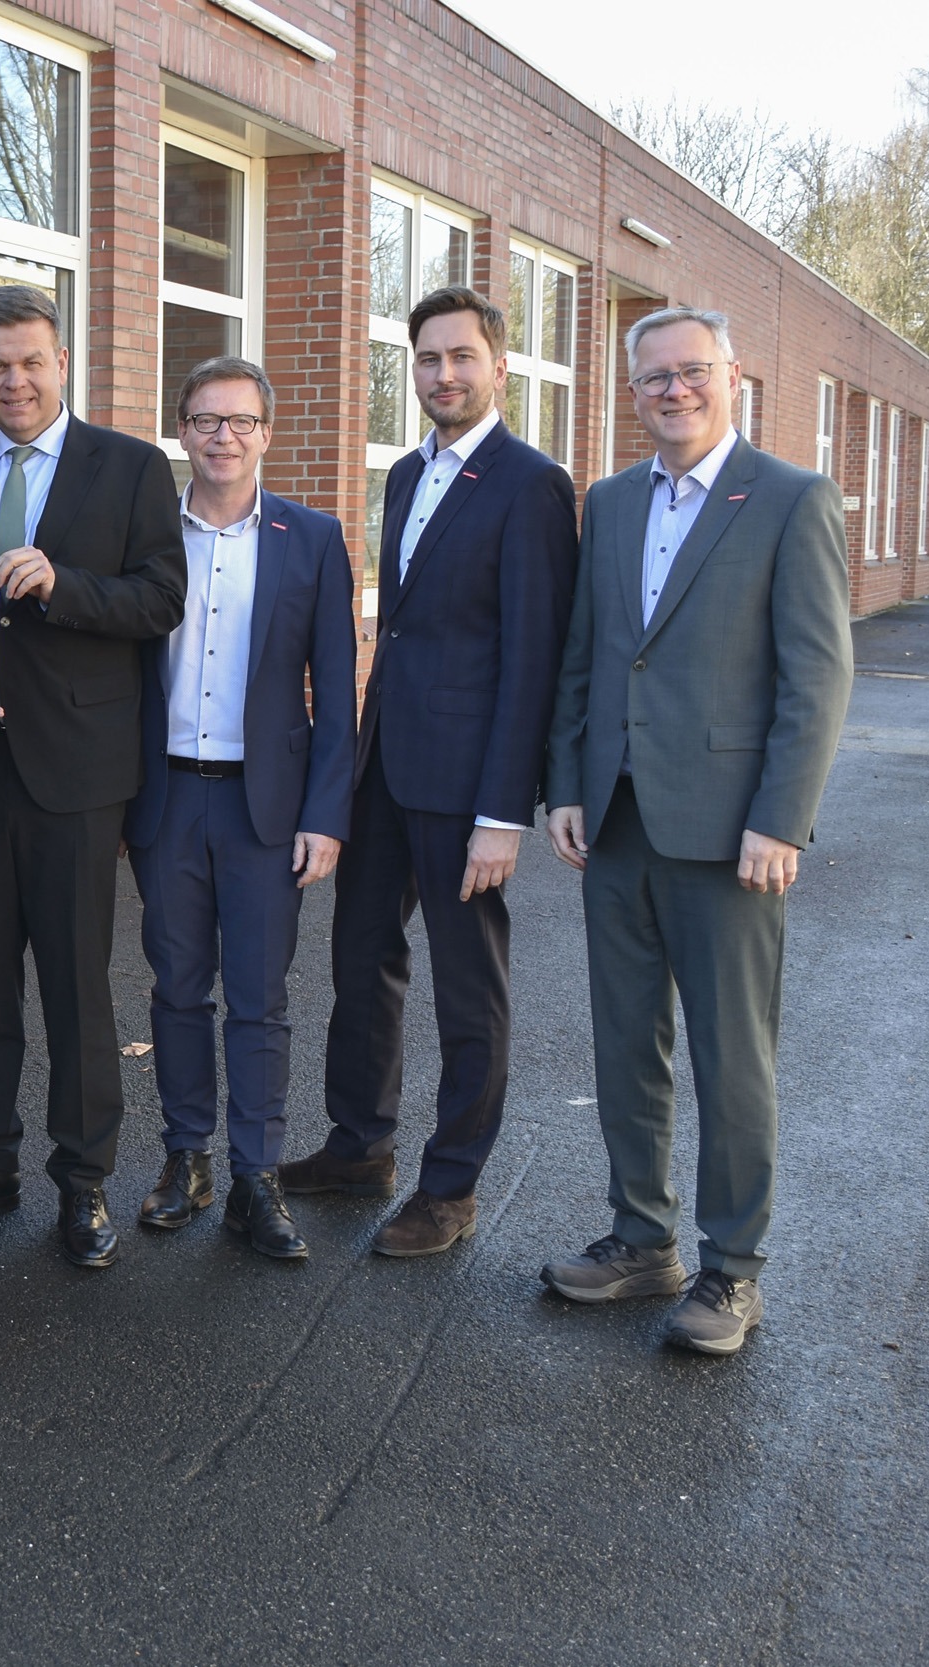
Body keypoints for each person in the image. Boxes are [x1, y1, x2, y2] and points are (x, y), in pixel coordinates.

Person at [539, 307, 851, 1355]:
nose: (673, 390)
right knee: (626, 1044)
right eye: (654, 377)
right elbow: (587, 652)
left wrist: (780, 818)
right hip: (616, 822)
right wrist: (565, 783)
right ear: (632, 391)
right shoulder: (611, 500)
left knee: (732, 1056)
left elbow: (816, 676)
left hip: (729, 835)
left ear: (731, 376)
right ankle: (641, 1239)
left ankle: (731, 1268)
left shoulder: (791, 498)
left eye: (691, 371)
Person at [0, 285, 188, 1269]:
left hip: (76, 770)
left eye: (29, 362)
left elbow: (159, 598)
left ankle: (83, 1177)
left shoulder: (132, 466)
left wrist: (63, 585)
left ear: (62, 362)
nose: (12, 381)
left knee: (75, 987)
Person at [284, 286, 576, 1257]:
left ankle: (449, 1185)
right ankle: (359, 1144)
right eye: (427, 359)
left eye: (461, 356)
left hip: (465, 783)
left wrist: (504, 809)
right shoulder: (409, 474)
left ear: (498, 366)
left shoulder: (531, 483)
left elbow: (532, 655)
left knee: (467, 987)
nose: (443, 374)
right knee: (359, 957)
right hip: (385, 767)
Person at [125, 357, 355, 1257]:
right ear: (181, 430)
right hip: (167, 796)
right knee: (178, 990)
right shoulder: (145, 531)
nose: (223, 436)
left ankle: (257, 1176)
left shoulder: (313, 538)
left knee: (260, 999)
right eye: (205, 419)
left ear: (267, 433)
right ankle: (187, 1158)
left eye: (241, 421)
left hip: (268, 808)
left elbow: (335, 687)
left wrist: (326, 814)